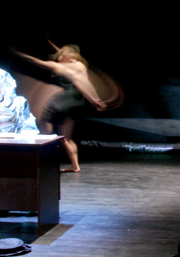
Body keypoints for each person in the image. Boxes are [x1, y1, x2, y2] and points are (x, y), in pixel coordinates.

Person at [13, 41, 108, 172]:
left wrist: (20, 54)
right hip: (77, 102)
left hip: (64, 101)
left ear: (66, 57)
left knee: (45, 125)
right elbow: (84, 83)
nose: (57, 58)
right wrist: (95, 99)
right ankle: (75, 166)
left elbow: (37, 62)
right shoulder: (80, 66)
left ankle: (43, 159)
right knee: (66, 138)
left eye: (60, 56)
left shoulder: (60, 67)